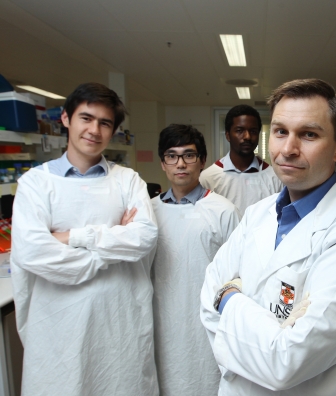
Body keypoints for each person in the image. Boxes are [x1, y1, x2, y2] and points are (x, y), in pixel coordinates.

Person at [200, 79, 336, 395]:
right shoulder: (257, 214)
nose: (288, 149)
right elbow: (207, 303)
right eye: (280, 131)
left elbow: (286, 362)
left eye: (309, 134)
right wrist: (268, 332)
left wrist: (230, 298)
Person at [10, 82, 159, 396]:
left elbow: (144, 237)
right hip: (59, 327)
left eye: (105, 123)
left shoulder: (127, 180)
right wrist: (113, 245)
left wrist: (72, 237)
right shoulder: (35, 184)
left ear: (113, 130)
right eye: (86, 118)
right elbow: (34, 253)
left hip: (119, 325)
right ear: (66, 118)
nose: (94, 130)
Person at [151, 124, 240, 395]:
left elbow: (236, 274)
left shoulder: (223, 210)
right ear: (163, 163)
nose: (181, 163)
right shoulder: (149, 211)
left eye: (189, 155)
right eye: (172, 155)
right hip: (161, 318)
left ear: (202, 161)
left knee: (205, 381)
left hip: (207, 322)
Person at [199, 104, 283, 214]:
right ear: (228, 135)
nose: (247, 136)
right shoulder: (208, 178)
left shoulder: (274, 177)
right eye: (239, 130)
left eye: (253, 131)